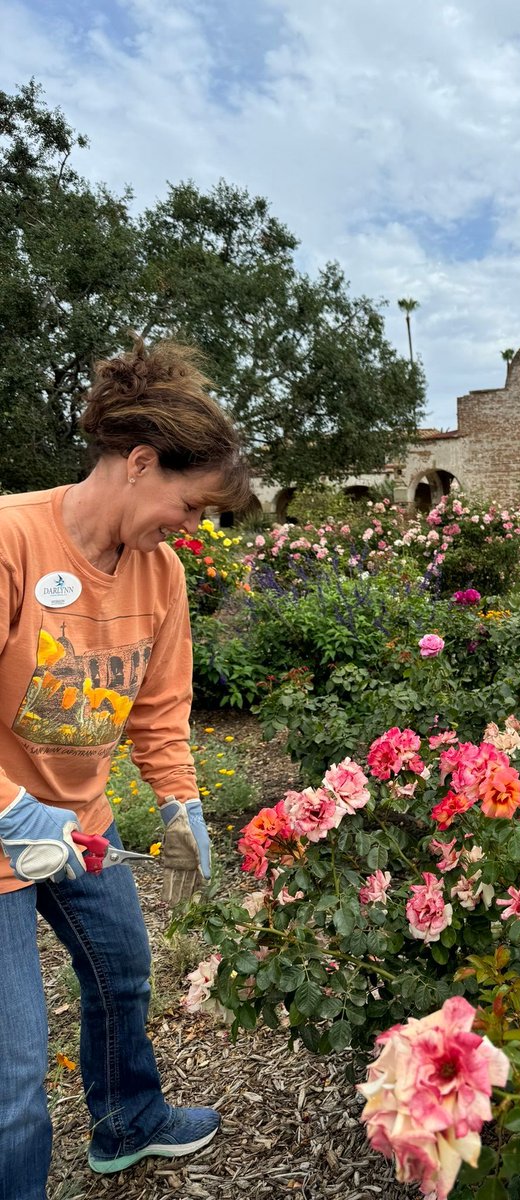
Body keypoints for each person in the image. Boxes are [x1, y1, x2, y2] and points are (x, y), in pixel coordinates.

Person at [0, 335, 252, 1200]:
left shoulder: (163, 575)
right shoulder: (11, 540)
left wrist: (181, 806)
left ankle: (128, 1122)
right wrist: (13, 814)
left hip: (83, 829)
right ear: (140, 462)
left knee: (124, 972)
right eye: (189, 505)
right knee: (13, 1085)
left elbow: (157, 709)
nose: (191, 527)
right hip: (2, 835)